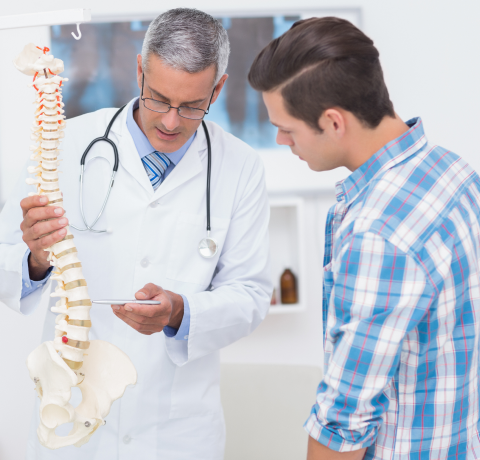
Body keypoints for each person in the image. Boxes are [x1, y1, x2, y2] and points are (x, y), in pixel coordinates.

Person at [0, 8, 272, 460]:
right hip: (70, 424)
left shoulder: (240, 167)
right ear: (140, 70)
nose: (170, 121)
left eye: (191, 106)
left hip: (178, 431)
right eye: (159, 99)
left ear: (219, 88)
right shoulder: (67, 144)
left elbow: (250, 294)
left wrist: (180, 312)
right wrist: (36, 258)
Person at [249, 16, 480, 460]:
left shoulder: (380, 233)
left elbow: (344, 419)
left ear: (334, 122)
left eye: (288, 128)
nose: (280, 140)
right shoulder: (452, 172)